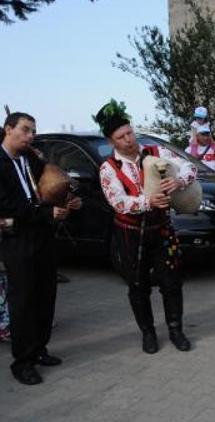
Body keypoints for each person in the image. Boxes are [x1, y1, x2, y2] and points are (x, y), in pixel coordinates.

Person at [96, 99, 196, 355]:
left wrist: (179, 181)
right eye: (121, 136)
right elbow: (118, 202)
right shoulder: (108, 168)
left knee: (172, 281)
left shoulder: (154, 151)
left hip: (162, 228)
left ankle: (176, 329)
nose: (129, 139)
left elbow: (189, 165)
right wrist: (147, 201)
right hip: (130, 233)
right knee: (138, 285)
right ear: (111, 141)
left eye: (130, 132)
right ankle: (148, 333)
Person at [0, 112, 79, 385]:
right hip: (16, 240)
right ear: (8, 129)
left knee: (45, 296)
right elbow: (8, 206)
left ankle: (39, 349)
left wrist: (67, 202)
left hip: (42, 237)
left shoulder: (31, 159)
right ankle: (22, 362)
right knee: (22, 302)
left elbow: (48, 190)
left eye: (33, 130)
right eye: (24, 129)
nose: (30, 135)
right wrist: (47, 214)